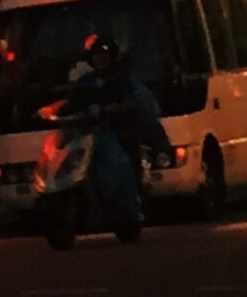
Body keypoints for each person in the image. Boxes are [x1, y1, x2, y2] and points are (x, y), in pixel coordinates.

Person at [61, 34, 168, 224]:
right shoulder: (86, 82)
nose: (99, 59)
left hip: (116, 130)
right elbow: (72, 104)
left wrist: (113, 109)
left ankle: (133, 200)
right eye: (96, 55)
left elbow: (135, 101)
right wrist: (53, 110)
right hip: (88, 133)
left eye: (104, 55)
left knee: (125, 154)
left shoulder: (123, 80)